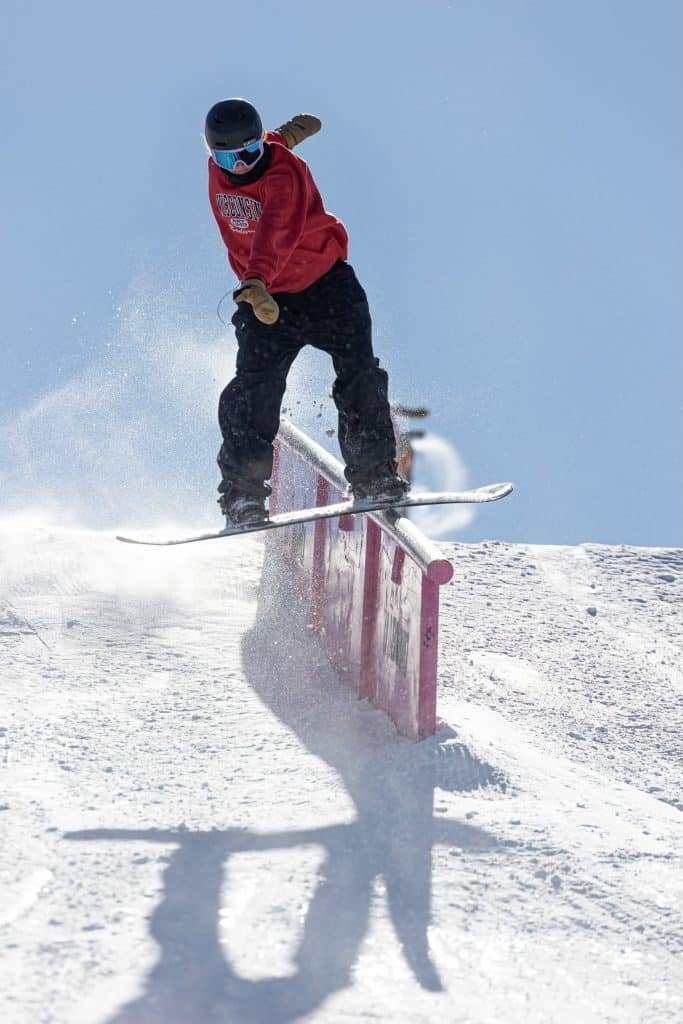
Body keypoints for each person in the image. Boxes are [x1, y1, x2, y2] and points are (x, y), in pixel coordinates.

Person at [205, 98, 407, 526]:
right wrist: (286, 133)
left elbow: (275, 229)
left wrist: (256, 279)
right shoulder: (230, 163)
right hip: (266, 301)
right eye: (227, 158)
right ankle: (242, 496)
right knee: (253, 387)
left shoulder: (285, 174)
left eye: (250, 154)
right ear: (211, 154)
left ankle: (374, 476)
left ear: (261, 147)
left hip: (325, 287)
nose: (239, 167)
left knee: (359, 373)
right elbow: (270, 143)